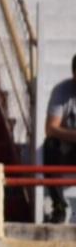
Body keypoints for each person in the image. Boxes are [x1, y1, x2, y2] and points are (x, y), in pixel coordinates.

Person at [44, 53, 76, 223]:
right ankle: (59, 206)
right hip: (67, 149)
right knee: (50, 145)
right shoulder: (62, 91)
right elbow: (50, 128)